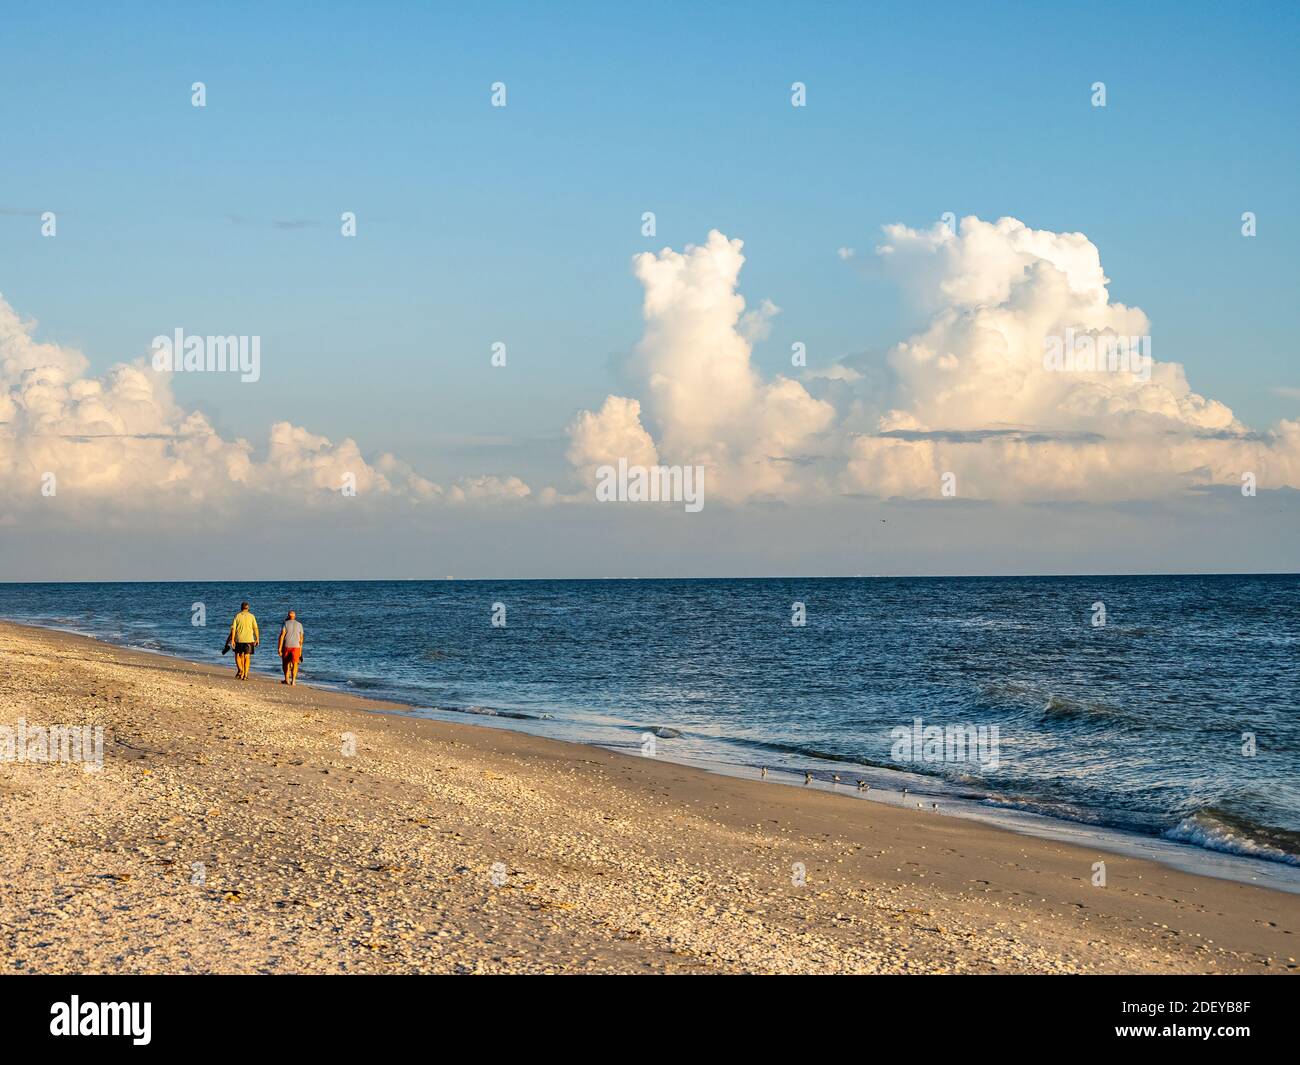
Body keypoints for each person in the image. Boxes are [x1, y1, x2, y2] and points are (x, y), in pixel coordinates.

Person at [228, 601, 259, 680]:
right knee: (247, 657)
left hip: (239, 639)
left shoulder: (237, 616)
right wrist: (257, 638)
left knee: (238, 656)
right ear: (248, 608)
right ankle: (245, 674)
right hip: (249, 639)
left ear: (241, 608)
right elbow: (255, 628)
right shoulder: (252, 616)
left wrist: (232, 640)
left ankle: (241, 670)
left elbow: (233, 629)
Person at [278, 610, 305, 686]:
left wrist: (279, 648)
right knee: (295, 664)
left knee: (285, 663)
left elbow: (282, 636)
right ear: (295, 616)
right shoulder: (299, 624)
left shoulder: (285, 623)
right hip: (296, 646)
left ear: (288, 616)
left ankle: (286, 679)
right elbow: (301, 639)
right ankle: (293, 681)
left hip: (286, 646)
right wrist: (300, 650)